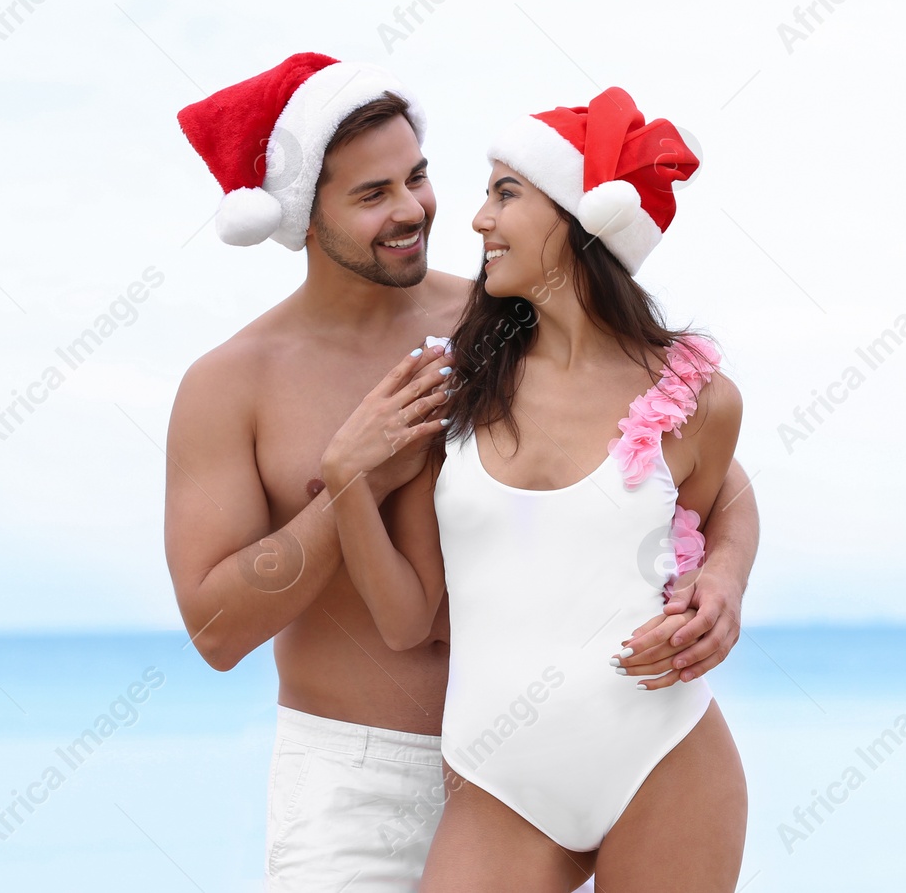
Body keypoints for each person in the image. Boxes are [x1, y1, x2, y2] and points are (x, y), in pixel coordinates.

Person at [165, 54, 759, 891]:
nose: (413, 210)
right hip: (357, 784)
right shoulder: (233, 384)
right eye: (373, 195)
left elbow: (695, 470)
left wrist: (724, 579)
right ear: (306, 213)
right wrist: (353, 482)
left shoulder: (495, 319)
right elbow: (215, 629)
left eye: (417, 176)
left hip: (548, 752)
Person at [321, 87, 749, 890]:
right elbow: (409, 618)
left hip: (665, 761)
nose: (478, 219)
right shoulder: (449, 389)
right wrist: (347, 480)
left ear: (584, 218)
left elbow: (730, 497)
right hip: (498, 785)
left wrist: (723, 577)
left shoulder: (695, 397)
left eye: (505, 192)